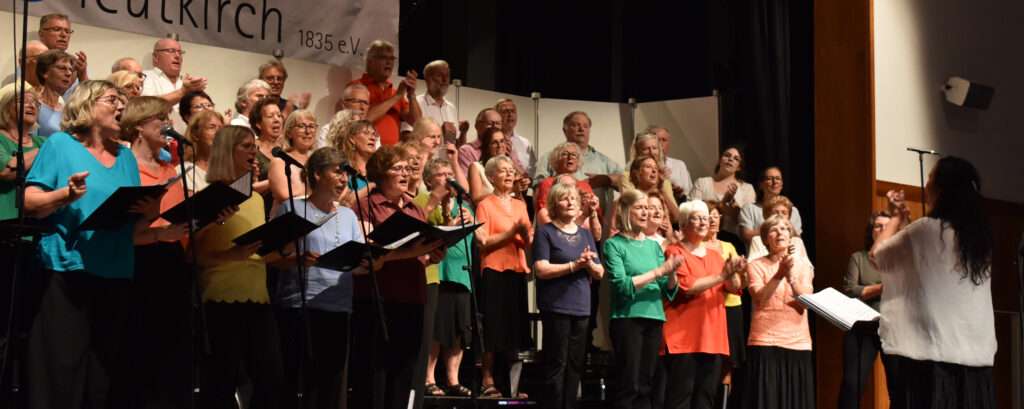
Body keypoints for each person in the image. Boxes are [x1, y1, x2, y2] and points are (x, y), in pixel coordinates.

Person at [23, 80, 157, 409]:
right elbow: (29, 201)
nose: (121, 106)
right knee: (60, 372)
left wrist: (150, 213)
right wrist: (65, 195)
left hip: (116, 271)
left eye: (123, 102)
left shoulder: (126, 157)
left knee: (101, 376)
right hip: (68, 269)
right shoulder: (60, 145)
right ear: (86, 104)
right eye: (112, 100)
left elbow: (132, 223)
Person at [871, 157, 996, 409]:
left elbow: (877, 256)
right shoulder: (980, 238)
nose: (926, 185)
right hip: (976, 359)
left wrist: (895, 216)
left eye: (930, 178)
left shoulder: (927, 229)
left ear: (941, 189)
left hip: (933, 358)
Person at [193, 125, 288, 409]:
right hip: (221, 299)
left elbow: (255, 254)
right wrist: (230, 255)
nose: (254, 152)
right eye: (246, 146)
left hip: (258, 297)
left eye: (254, 147)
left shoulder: (256, 198)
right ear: (226, 151)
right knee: (222, 380)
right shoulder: (208, 195)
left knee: (271, 377)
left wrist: (286, 246)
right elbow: (191, 255)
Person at [347, 145, 446, 409]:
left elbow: (420, 255)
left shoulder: (415, 209)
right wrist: (415, 251)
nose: (405, 173)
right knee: (374, 377)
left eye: (407, 168)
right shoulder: (366, 206)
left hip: (412, 298)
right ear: (381, 173)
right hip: (377, 299)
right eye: (397, 168)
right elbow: (369, 253)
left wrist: (433, 255)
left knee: (403, 375)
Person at [273, 147, 363, 409]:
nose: (344, 179)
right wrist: (298, 259)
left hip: (339, 308)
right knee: (299, 385)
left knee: (330, 386)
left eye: (346, 173)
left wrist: (373, 262)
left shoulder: (348, 215)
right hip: (300, 307)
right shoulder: (293, 208)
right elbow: (271, 258)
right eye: (338, 172)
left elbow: (356, 262)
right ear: (317, 174)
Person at [118, 95, 192, 408]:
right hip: (141, 264)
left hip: (174, 262)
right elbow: (120, 228)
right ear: (138, 126)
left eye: (168, 118)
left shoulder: (169, 167)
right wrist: (158, 233)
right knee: (140, 347)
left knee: (173, 351)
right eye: (160, 119)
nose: (167, 124)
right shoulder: (124, 166)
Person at [603, 189, 683, 409]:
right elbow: (622, 285)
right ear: (625, 211)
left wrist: (671, 272)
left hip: (654, 318)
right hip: (627, 318)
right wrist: (659, 271)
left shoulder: (653, 246)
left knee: (646, 385)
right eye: (639, 208)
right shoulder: (614, 244)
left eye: (647, 208)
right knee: (629, 385)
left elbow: (666, 289)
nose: (645, 212)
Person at [662, 200, 745, 409]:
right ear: (683, 224)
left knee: (706, 399)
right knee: (680, 398)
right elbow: (688, 287)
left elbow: (733, 287)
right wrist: (722, 275)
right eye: (696, 218)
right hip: (684, 338)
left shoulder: (716, 255)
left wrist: (732, 273)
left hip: (713, 337)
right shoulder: (675, 252)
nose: (703, 222)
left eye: (705, 218)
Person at [533, 181, 604, 409]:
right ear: (554, 204)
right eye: (565, 199)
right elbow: (541, 269)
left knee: (575, 364)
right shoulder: (545, 232)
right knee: (557, 362)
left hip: (581, 306)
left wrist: (589, 265)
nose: (571, 202)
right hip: (556, 306)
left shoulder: (585, 234)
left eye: (574, 198)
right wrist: (574, 265)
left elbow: (600, 272)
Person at [474, 154, 534, 398]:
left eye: (512, 170)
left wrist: (524, 235)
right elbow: (483, 241)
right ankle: (487, 379)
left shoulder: (520, 205)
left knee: (514, 330)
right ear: (490, 177)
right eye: (503, 171)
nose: (510, 174)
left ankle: (512, 385)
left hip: (516, 270)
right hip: (493, 271)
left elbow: (529, 240)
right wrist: (512, 232)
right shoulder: (485, 204)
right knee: (493, 329)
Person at [743, 215, 814, 409]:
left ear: (790, 237)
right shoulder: (755, 265)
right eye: (773, 230)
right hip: (765, 340)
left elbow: (807, 303)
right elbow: (760, 298)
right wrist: (779, 274)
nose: (780, 232)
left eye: (784, 229)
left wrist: (791, 278)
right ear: (766, 239)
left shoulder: (803, 266)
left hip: (798, 342)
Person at [421, 157, 476, 397]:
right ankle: (429, 378)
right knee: (437, 328)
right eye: (442, 174)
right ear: (428, 180)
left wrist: (472, 221)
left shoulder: (464, 206)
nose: (448, 178)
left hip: (462, 273)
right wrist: (451, 223)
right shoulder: (427, 203)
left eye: (450, 173)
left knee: (458, 330)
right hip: (440, 272)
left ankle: (453, 380)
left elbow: (480, 238)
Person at [837, 211, 891, 409]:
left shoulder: (900, 260)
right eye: (878, 226)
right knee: (853, 385)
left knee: (899, 387)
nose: (882, 230)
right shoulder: (859, 258)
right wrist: (883, 287)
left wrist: (868, 290)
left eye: (887, 226)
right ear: (871, 231)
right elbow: (851, 290)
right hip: (863, 328)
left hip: (893, 329)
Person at [534, 111, 622, 225]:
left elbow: (627, 180)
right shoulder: (550, 157)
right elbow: (538, 193)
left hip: (588, 225)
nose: (581, 129)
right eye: (576, 125)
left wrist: (605, 179)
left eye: (585, 126)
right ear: (565, 130)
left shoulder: (602, 160)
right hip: (556, 224)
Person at [702, 200, 745, 406]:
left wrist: (736, 271)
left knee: (729, 362)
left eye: (716, 216)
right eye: (708, 216)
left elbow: (737, 282)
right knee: (710, 361)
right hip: (709, 307)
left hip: (731, 306)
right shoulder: (699, 246)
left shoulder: (729, 246)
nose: (712, 220)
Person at [347, 40, 421, 146]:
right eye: (383, 57)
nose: (389, 62)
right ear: (369, 61)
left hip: (392, 153)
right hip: (365, 151)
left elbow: (417, 123)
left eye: (392, 58)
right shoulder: (356, 87)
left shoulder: (394, 92)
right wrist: (397, 96)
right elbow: (362, 119)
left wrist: (411, 95)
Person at [689, 145, 755, 252]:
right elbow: (691, 211)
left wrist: (732, 203)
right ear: (720, 161)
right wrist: (724, 201)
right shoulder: (702, 183)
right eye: (727, 155)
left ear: (739, 167)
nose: (730, 159)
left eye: (736, 159)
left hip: (734, 240)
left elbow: (749, 221)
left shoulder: (746, 188)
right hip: (704, 237)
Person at [0, 85, 45, 220]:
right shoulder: (46, 146)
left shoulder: (43, 141)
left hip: (36, 222)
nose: (31, 106)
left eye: (35, 103)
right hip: (5, 217)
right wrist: (44, 151)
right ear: (6, 110)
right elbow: (5, 171)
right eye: (24, 101)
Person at [533, 142, 601, 232]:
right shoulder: (547, 183)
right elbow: (544, 215)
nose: (570, 157)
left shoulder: (585, 186)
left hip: (585, 233)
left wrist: (589, 206)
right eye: (565, 154)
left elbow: (595, 218)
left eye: (574, 155)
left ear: (578, 161)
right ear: (556, 160)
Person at [738, 166, 803, 246]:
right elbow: (747, 237)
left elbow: (798, 242)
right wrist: (773, 226)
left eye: (778, 178)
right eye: (769, 179)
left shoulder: (793, 210)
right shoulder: (749, 208)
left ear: (781, 184)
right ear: (761, 184)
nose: (775, 182)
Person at [267, 109, 316, 216]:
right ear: (289, 133)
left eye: (312, 126)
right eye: (301, 126)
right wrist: (315, 190)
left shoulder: (316, 163)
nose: (308, 131)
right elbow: (284, 197)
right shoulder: (279, 162)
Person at [622, 132, 680, 221]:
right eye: (646, 148)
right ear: (637, 151)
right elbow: (631, 211)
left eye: (654, 148)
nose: (651, 152)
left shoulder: (664, 181)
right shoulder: (627, 177)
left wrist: (661, 188)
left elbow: (676, 217)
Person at [408, 60, 469, 145]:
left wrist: (463, 133)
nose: (445, 79)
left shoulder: (451, 107)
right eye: (439, 75)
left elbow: (455, 145)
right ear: (428, 79)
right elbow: (407, 139)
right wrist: (440, 133)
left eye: (447, 76)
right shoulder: (416, 103)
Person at [141, 38, 206, 106]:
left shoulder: (186, 83)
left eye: (180, 52)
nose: (177, 56)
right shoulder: (145, 77)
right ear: (156, 56)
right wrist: (183, 91)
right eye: (171, 51)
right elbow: (146, 105)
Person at [36, 14, 87, 100]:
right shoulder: (32, 60)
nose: (63, 35)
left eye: (67, 31)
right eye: (57, 29)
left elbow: (90, 99)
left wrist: (82, 75)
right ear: (41, 34)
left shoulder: (78, 65)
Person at [337, 119, 379, 208]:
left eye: (374, 134)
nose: (372, 138)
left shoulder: (380, 169)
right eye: (366, 133)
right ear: (352, 139)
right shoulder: (344, 170)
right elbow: (343, 202)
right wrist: (371, 186)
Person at [34, 49, 76, 137]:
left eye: (70, 70)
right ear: (44, 72)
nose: (68, 73)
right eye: (62, 68)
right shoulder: (34, 107)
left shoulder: (67, 110)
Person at [647, 124, 692, 203]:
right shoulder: (634, 164)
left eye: (664, 140)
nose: (660, 144)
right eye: (656, 139)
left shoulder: (679, 165)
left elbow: (689, 193)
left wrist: (680, 194)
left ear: (669, 143)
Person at [181, 109, 224, 193]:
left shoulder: (230, 166)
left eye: (221, 128)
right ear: (195, 134)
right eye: (211, 127)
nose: (219, 132)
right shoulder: (184, 171)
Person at [249, 97, 282, 198]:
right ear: (259, 124)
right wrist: (279, 180)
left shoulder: (286, 148)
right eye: (270, 116)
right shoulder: (251, 150)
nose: (277, 120)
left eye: (279, 115)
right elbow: (249, 188)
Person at [468, 127, 511, 202]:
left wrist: (519, 192)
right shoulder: (477, 167)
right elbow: (476, 200)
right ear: (487, 147)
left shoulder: (510, 168)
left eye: (502, 141)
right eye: (494, 142)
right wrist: (510, 189)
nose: (500, 145)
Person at [497, 99, 537, 179]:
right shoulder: (493, 143)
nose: (510, 115)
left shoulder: (525, 143)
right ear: (497, 116)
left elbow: (533, 169)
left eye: (512, 111)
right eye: (505, 112)